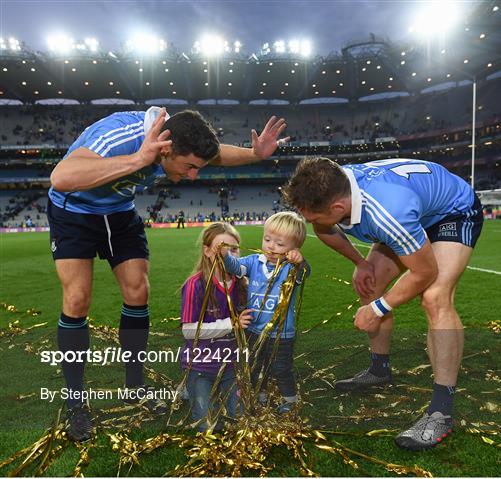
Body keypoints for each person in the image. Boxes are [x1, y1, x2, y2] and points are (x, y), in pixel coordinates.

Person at [47, 106, 288, 441]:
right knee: (77, 299)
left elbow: (214, 157)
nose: (193, 176)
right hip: (73, 210)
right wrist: (138, 159)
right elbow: (61, 177)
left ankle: (135, 386)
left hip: (118, 213)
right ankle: (76, 402)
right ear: (166, 150)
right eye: (189, 167)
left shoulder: (179, 136)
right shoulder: (123, 136)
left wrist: (255, 154)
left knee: (137, 292)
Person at [282, 157, 483, 451]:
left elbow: (425, 271)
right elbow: (325, 230)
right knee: (369, 281)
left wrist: (378, 309)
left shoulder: (388, 211)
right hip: (413, 209)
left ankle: (441, 411)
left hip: (452, 213)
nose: (311, 224)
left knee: (434, 297)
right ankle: (380, 370)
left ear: (337, 209)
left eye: (312, 217)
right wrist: (361, 263)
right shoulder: (335, 187)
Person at [219, 212, 310, 413]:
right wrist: (225, 256)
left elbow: (305, 273)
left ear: (294, 249)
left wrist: (299, 262)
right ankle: (258, 394)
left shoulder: (290, 268)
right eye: (267, 239)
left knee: (280, 368)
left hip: (281, 333)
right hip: (254, 329)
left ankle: (290, 399)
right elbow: (236, 267)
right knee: (253, 365)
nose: (271, 246)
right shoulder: (254, 261)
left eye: (279, 243)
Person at [180, 223, 253, 432]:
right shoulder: (195, 284)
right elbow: (188, 331)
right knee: (207, 426)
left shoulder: (244, 284)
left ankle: (213, 390)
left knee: (240, 421)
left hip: (231, 366)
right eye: (221, 248)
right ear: (207, 251)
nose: (227, 254)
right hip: (201, 366)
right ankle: (190, 386)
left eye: (234, 249)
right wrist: (231, 324)